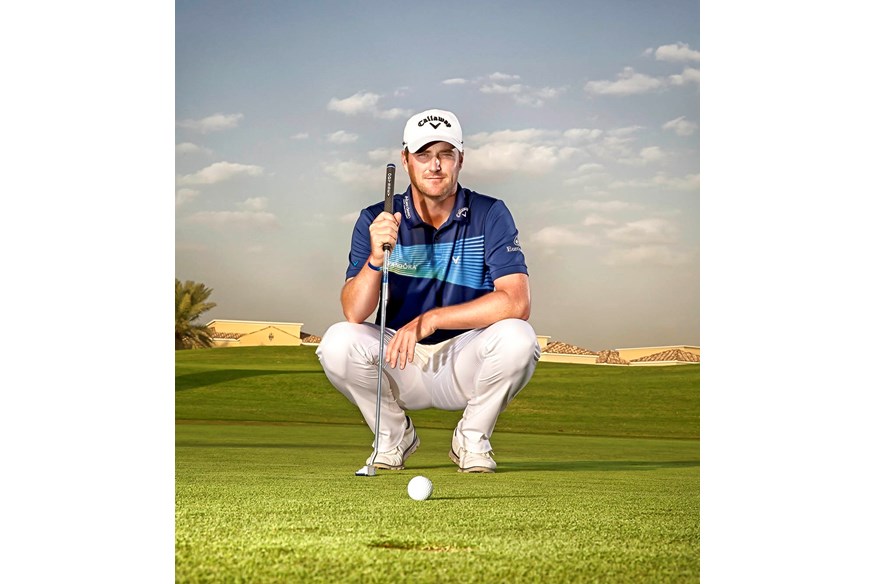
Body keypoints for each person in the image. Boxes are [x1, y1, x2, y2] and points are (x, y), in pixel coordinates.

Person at [316, 108, 540, 473]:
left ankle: (471, 438)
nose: (435, 165)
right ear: (406, 160)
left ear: (460, 160)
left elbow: (517, 300)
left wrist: (431, 319)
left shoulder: (489, 213)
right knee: (338, 342)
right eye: (423, 154)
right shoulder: (375, 218)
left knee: (519, 336)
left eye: (445, 154)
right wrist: (375, 259)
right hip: (402, 360)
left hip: (466, 358)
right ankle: (392, 437)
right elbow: (354, 312)